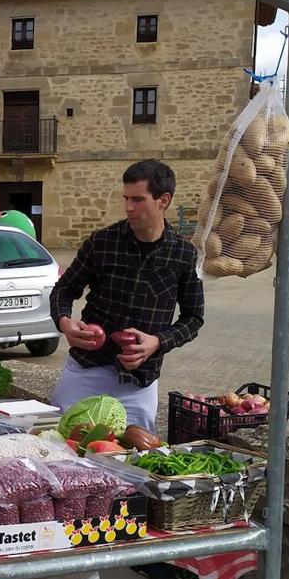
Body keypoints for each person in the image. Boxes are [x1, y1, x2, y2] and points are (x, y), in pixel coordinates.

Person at [49, 159, 205, 434]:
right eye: (126, 198)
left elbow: (194, 318)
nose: (128, 207)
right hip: (87, 369)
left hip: (140, 381)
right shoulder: (102, 242)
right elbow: (64, 289)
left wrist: (157, 342)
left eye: (138, 199)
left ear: (163, 200)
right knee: (62, 448)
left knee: (135, 463)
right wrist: (65, 323)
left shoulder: (183, 254)